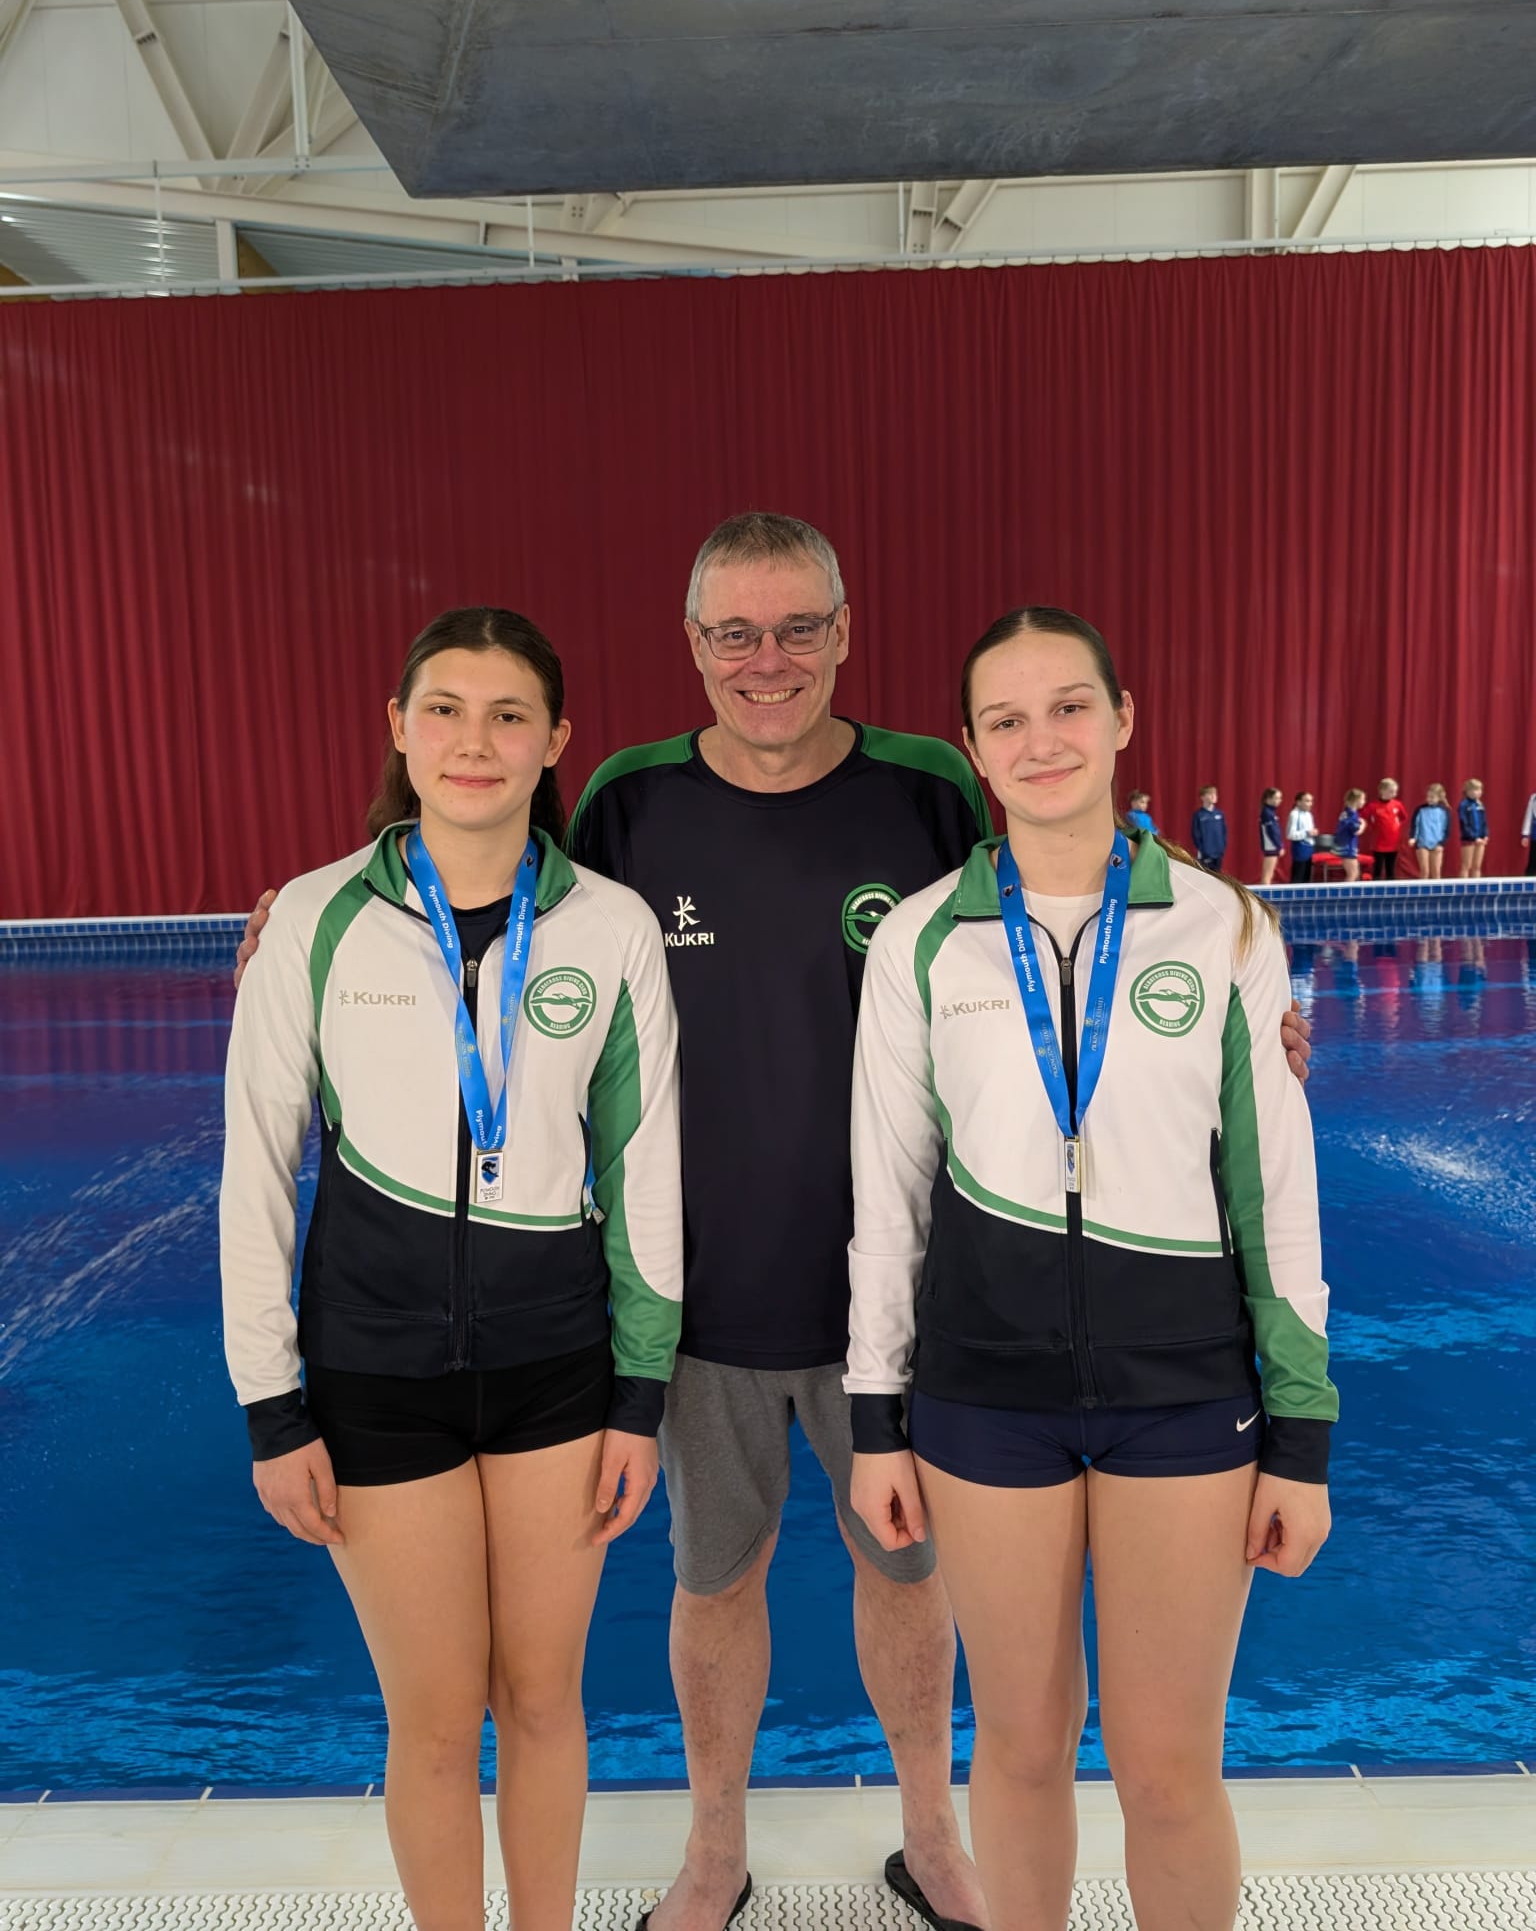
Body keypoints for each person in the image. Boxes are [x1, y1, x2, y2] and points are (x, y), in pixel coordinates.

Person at [233, 517, 1313, 1931]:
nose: (768, 660)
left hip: (918, 1309)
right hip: (698, 1303)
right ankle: (713, 1848)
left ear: (846, 633)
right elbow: (477, 868)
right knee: (713, 1585)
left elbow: (1066, 870)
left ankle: (934, 1832)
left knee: (908, 1584)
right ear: (690, 646)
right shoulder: (626, 798)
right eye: (733, 633)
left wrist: (1241, 993)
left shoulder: (930, 787)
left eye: (799, 627)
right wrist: (306, 915)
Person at [846, 606, 1335, 1931]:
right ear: (972, 751)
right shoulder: (924, 943)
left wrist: (1301, 1433)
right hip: (983, 1397)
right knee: (1017, 1746)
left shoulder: (1226, 929)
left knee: (1169, 1768)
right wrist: (877, 1421)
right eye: (1006, 718)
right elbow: (886, 1201)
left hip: (1185, 1392)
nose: (1041, 738)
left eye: (1070, 706)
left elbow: (1278, 1190)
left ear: (1124, 719)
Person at [221, 608, 683, 1931]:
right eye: (444, 710)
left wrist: (638, 1395)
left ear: (555, 744)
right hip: (372, 1379)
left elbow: (647, 1171)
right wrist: (272, 1405)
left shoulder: (608, 929)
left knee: (542, 1699)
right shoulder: (314, 923)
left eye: (507, 716)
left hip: (558, 1374)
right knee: (431, 1724)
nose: (472, 741)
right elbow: (255, 1174)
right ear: (399, 729)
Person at [1362, 778, 1408, 880]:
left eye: (1395, 792)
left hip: (1393, 843)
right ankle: (1375, 891)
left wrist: (1396, 826)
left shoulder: (1397, 805)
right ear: (1382, 790)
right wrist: (1372, 827)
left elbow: (1404, 818)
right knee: (1377, 869)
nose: (1394, 794)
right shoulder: (1373, 806)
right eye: (1391, 791)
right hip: (1378, 844)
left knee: (1390, 869)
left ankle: (1391, 893)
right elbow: (1363, 817)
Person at [1408, 784, 1450, 879]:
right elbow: (1415, 825)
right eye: (1428, 796)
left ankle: (1438, 893)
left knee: (1436, 872)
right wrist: (1413, 838)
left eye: (1432, 797)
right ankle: (1422, 893)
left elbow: (1446, 829)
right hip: (1422, 842)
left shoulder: (1444, 811)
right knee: (1424, 871)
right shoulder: (1420, 810)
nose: (1429, 799)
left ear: (1439, 797)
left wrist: (1441, 843)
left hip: (1437, 844)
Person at [1190, 785, 1227, 873]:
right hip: (1205, 853)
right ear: (1202, 797)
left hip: (1218, 853)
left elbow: (1224, 832)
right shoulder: (1199, 815)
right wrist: (1202, 849)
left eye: (1215, 794)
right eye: (1210, 794)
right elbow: (1195, 834)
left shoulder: (1220, 814)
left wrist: (1222, 847)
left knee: (1218, 876)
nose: (1213, 796)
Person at [1458, 779, 1489, 877]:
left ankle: (1477, 889)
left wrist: (1485, 835)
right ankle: (1463, 889)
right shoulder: (1464, 805)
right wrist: (1474, 837)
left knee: (1477, 866)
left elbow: (1484, 822)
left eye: (1480, 789)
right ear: (1468, 791)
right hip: (1469, 839)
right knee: (1466, 865)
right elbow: (1464, 823)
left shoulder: (1480, 805)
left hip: (1481, 839)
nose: (1479, 792)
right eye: (1476, 789)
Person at [1335, 789, 1366, 883]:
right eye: (1363, 799)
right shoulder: (1351, 814)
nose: (1364, 802)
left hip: (1347, 846)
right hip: (1348, 848)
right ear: (1356, 800)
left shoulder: (1347, 813)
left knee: (1355, 874)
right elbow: (1356, 830)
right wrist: (1363, 824)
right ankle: (1344, 895)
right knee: (1352, 874)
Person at [1285, 791, 1317, 884]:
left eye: (1311, 801)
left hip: (1309, 848)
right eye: (1307, 801)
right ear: (1298, 802)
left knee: (1307, 876)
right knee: (1298, 876)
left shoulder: (1309, 815)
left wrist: (1312, 833)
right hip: (1299, 848)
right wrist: (1306, 833)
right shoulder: (1294, 814)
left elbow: (1310, 832)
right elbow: (1290, 834)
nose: (1310, 804)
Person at [1258, 788, 1284, 886]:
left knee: (1269, 873)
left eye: (1280, 798)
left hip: (1272, 846)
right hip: (1271, 846)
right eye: (1276, 798)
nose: (1279, 801)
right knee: (1267, 874)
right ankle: (1264, 897)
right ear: (1268, 799)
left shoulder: (1270, 812)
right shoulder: (1267, 813)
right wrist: (1279, 846)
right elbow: (1272, 832)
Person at [1522, 789, 1536, 876]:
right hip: (1535, 835)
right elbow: (1528, 816)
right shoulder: (1534, 798)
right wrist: (1525, 834)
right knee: (1533, 861)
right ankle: (1528, 885)